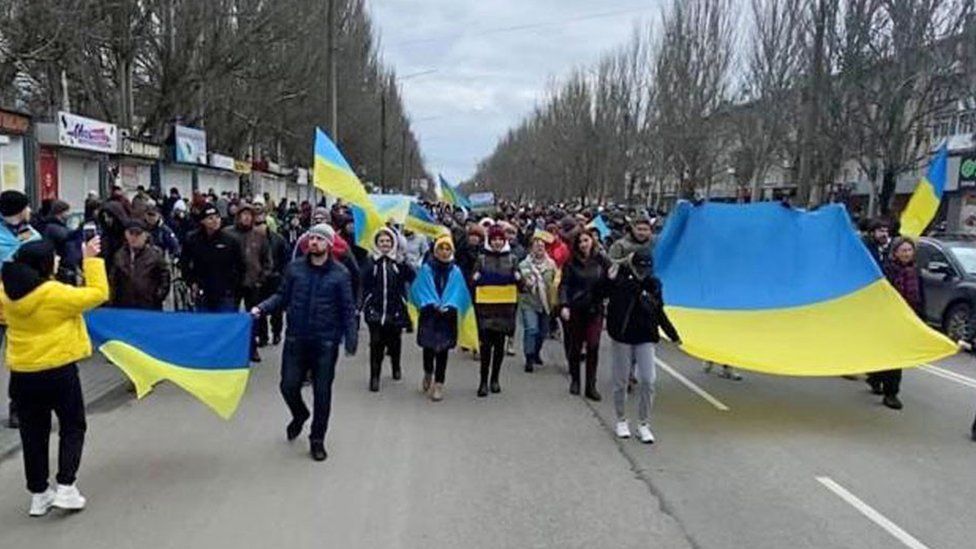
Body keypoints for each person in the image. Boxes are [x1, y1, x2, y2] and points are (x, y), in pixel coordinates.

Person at [1, 236, 108, 516]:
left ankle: (39, 493)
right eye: (55, 257)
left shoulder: (5, 292)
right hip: (58, 369)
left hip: (22, 372)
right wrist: (91, 259)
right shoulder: (54, 294)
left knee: (32, 432)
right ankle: (66, 487)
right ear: (44, 264)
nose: (59, 259)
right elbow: (98, 293)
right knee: (72, 426)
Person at [252, 223, 357, 462]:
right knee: (288, 385)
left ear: (329, 245)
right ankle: (299, 414)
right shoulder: (295, 269)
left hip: (325, 342)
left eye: (320, 239)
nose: (314, 242)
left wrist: (350, 337)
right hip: (296, 338)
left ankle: (317, 439)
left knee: (322, 392)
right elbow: (282, 296)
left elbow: (347, 309)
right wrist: (261, 308)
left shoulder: (340, 274)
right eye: (311, 238)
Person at [606, 248, 680, 444]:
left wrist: (673, 334)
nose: (642, 271)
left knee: (648, 380)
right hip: (622, 335)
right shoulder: (620, 281)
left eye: (646, 268)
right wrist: (615, 275)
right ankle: (621, 419)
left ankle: (643, 423)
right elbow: (603, 290)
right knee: (621, 380)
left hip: (645, 336)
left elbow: (659, 311)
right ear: (633, 265)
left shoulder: (654, 285)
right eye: (639, 267)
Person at [0, 190, 42, 429]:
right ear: (19, 210)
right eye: (27, 206)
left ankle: (18, 408)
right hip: (2, 305)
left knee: (19, 361)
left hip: (23, 306)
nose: (30, 210)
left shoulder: (31, 233)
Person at [870, 237, 924, 410]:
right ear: (895, 253)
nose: (907, 253)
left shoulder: (916, 272)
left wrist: (921, 319)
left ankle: (891, 393)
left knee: (897, 356)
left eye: (910, 250)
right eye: (904, 250)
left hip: (906, 318)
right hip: (888, 318)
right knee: (884, 353)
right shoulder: (887, 271)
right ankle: (876, 378)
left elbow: (920, 297)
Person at [361, 228, 415, 392]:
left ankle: (396, 366)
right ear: (376, 244)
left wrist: (405, 261)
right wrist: (364, 303)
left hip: (395, 310)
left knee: (394, 341)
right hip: (375, 311)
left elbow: (412, 278)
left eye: (388, 241)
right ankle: (374, 376)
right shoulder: (371, 263)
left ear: (393, 244)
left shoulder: (398, 263)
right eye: (381, 241)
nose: (385, 244)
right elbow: (363, 283)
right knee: (376, 343)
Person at [559, 231, 610, 401]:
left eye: (586, 240)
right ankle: (575, 379)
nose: (583, 244)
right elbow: (564, 285)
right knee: (575, 345)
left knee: (593, 346)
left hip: (595, 309)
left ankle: (591, 385)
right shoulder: (570, 263)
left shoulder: (601, 261)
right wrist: (565, 305)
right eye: (580, 241)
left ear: (592, 241)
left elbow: (610, 281)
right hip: (576, 308)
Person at [413, 235, 463, 402]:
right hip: (429, 314)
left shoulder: (455, 271)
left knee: (443, 350)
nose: (444, 252)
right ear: (435, 251)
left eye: (447, 248)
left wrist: (450, 304)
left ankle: (439, 384)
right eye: (441, 248)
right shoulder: (427, 269)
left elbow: (459, 291)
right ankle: (428, 371)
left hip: (448, 316)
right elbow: (421, 288)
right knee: (428, 348)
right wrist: (432, 303)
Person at [472, 224, 519, 397]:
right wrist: (476, 279)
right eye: (494, 239)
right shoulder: (482, 259)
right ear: (489, 241)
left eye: (500, 239)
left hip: (504, 309)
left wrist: (519, 279)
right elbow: (473, 281)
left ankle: (495, 379)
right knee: (486, 347)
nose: (497, 242)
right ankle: (483, 381)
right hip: (485, 309)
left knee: (499, 347)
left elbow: (521, 285)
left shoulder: (512, 259)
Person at [223, 203, 272, 362]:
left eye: (249, 215)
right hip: (232, 282)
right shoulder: (227, 234)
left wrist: (262, 278)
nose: (246, 217)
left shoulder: (259, 236)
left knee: (253, 317)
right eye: (243, 214)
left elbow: (267, 261)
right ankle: (231, 348)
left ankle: (252, 348)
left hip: (253, 282)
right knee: (231, 317)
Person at [181, 206, 245, 313]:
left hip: (225, 293)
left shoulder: (230, 241)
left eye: (217, 217)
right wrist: (191, 282)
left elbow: (240, 265)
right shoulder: (192, 239)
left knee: (224, 325)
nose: (215, 221)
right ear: (203, 221)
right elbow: (185, 263)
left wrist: (235, 288)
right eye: (210, 218)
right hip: (202, 292)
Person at [518, 233, 558, 372]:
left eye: (542, 245)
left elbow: (556, 282)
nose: (540, 248)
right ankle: (529, 357)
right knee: (532, 329)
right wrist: (529, 281)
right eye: (537, 245)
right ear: (531, 248)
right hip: (529, 302)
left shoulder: (551, 264)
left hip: (546, 303)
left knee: (542, 333)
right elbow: (524, 281)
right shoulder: (524, 264)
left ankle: (536, 352)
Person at [109, 220, 171, 310]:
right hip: (123, 306)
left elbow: (165, 277)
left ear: (145, 235)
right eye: (131, 233)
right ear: (126, 234)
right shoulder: (119, 255)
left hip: (148, 306)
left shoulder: (155, 256)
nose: (134, 237)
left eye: (138, 234)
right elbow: (113, 280)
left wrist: (158, 296)